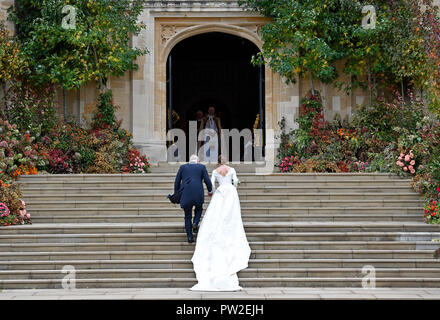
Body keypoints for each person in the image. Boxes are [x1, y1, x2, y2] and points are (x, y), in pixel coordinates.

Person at [190, 155, 251, 291]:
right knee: (231, 213)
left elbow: (211, 184)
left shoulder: (216, 171)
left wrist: (212, 191)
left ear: (218, 162)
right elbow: (235, 182)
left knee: (217, 212)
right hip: (230, 191)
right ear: (226, 161)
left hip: (220, 191)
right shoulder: (232, 169)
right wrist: (235, 184)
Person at [174, 155, 213, 243]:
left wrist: (176, 193)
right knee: (199, 209)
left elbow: (177, 181)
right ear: (197, 161)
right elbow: (207, 180)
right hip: (198, 193)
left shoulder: (182, 167)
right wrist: (210, 190)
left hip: (186, 193)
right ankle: (195, 222)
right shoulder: (202, 167)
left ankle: (190, 237)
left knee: (187, 215)